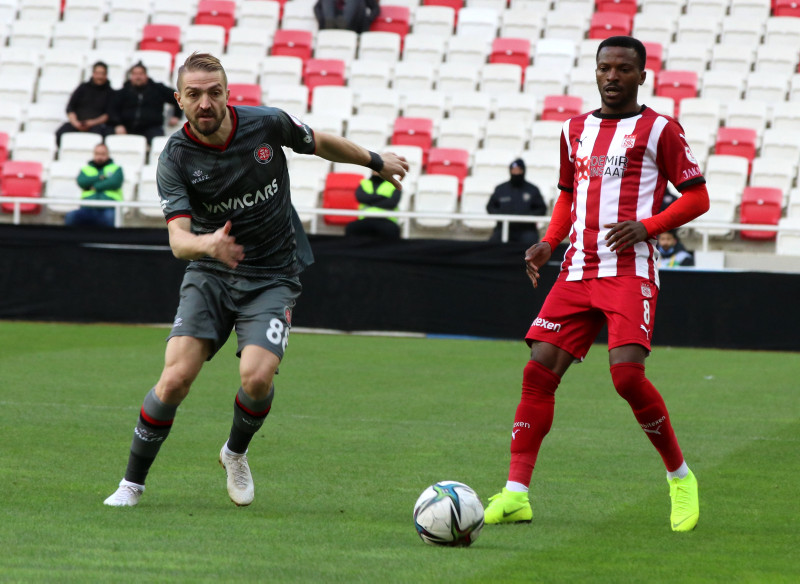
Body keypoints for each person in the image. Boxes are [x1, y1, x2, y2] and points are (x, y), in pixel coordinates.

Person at [103, 52, 408, 507]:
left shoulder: (266, 125)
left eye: (214, 92)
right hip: (211, 273)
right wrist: (210, 246)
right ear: (179, 101)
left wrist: (375, 160)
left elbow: (319, 142)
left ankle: (235, 452)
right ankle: (131, 484)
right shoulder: (176, 157)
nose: (205, 103)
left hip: (273, 274)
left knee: (258, 377)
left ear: (228, 93)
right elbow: (179, 242)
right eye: (194, 95)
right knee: (174, 380)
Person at [482, 36, 710, 532]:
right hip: (577, 269)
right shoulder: (573, 130)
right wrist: (549, 240)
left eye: (623, 69)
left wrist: (648, 226)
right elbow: (568, 194)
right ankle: (517, 492)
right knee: (538, 371)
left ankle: (680, 477)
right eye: (605, 67)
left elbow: (698, 197)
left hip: (629, 270)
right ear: (596, 72)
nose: (612, 76)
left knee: (627, 377)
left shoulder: (659, 130)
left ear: (641, 76)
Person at [108, 61, 182, 145]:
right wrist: (118, 124)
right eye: (135, 74)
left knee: (158, 142)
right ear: (131, 76)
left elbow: (178, 98)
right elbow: (112, 109)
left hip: (152, 128)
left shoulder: (158, 89)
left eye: (141, 74)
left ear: (146, 75)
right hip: (127, 128)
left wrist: (177, 116)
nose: (138, 77)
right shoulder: (123, 92)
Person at [487, 158, 548, 246]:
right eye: (513, 170)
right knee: (492, 245)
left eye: (519, 170)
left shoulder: (532, 189)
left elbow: (542, 209)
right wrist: (503, 214)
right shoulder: (501, 189)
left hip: (527, 229)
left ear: (523, 171)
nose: (516, 173)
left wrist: (525, 215)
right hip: (503, 228)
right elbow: (490, 207)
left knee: (531, 247)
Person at [64, 142, 123, 228]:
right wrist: (101, 177)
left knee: (110, 217)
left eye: (103, 154)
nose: (100, 157)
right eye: (97, 154)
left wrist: (95, 186)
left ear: (108, 154)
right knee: (71, 216)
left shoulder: (116, 168)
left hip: (109, 208)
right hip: (87, 208)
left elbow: (115, 183)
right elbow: (82, 182)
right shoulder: (85, 169)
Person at [55, 61, 114, 146]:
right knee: (60, 133)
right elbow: (70, 107)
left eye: (102, 73)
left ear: (106, 75)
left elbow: (108, 115)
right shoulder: (82, 88)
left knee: (100, 137)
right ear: (93, 73)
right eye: (97, 73)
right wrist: (75, 122)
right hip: (77, 123)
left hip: (96, 125)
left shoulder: (110, 92)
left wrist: (91, 123)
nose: (99, 76)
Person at [344, 169, 402, 240]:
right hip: (366, 218)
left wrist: (370, 200)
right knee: (351, 228)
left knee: (392, 230)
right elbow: (360, 197)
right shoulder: (364, 183)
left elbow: (391, 203)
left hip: (386, 219)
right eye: (375, 168)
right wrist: (382, 197)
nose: (376, 171)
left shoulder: (394, 185)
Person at [314, 0, 379, 33]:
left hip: (353, 26)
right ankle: (330, 24)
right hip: (331, 23)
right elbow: (317, 7)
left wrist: (367, 21)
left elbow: (375, 9)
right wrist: (321, 20)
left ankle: (344, 23)